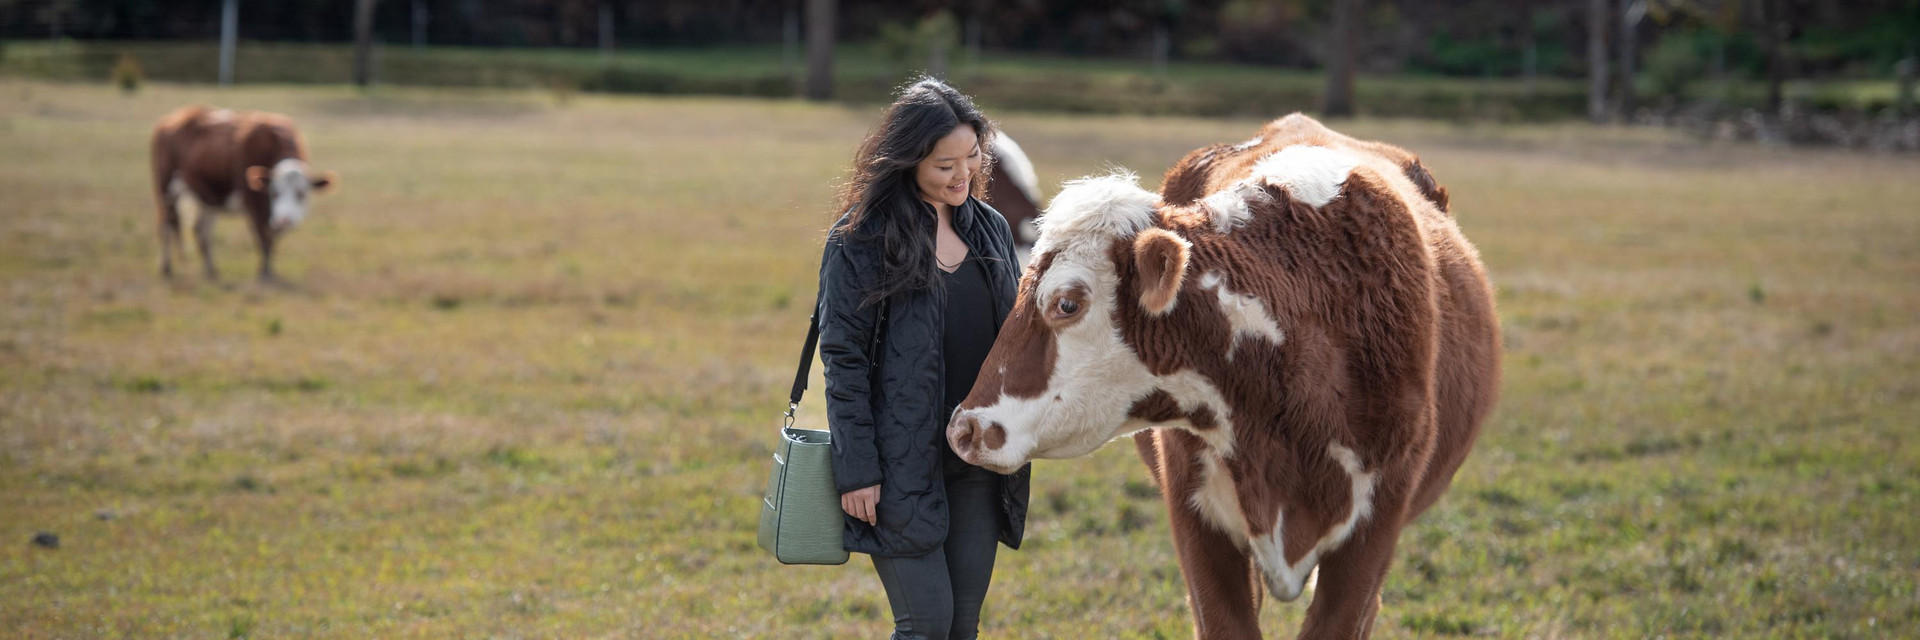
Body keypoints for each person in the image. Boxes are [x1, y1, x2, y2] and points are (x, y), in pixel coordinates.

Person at [815, 78, 1031, 640]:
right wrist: (858, 471)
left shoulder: (989, 228)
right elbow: (844, 361)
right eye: (944, 165)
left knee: (961, 628)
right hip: (897, 467)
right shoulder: (860, 239)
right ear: (908, 161)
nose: (962, 175)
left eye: (972, 157)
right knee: (926, 627)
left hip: (976, 463)